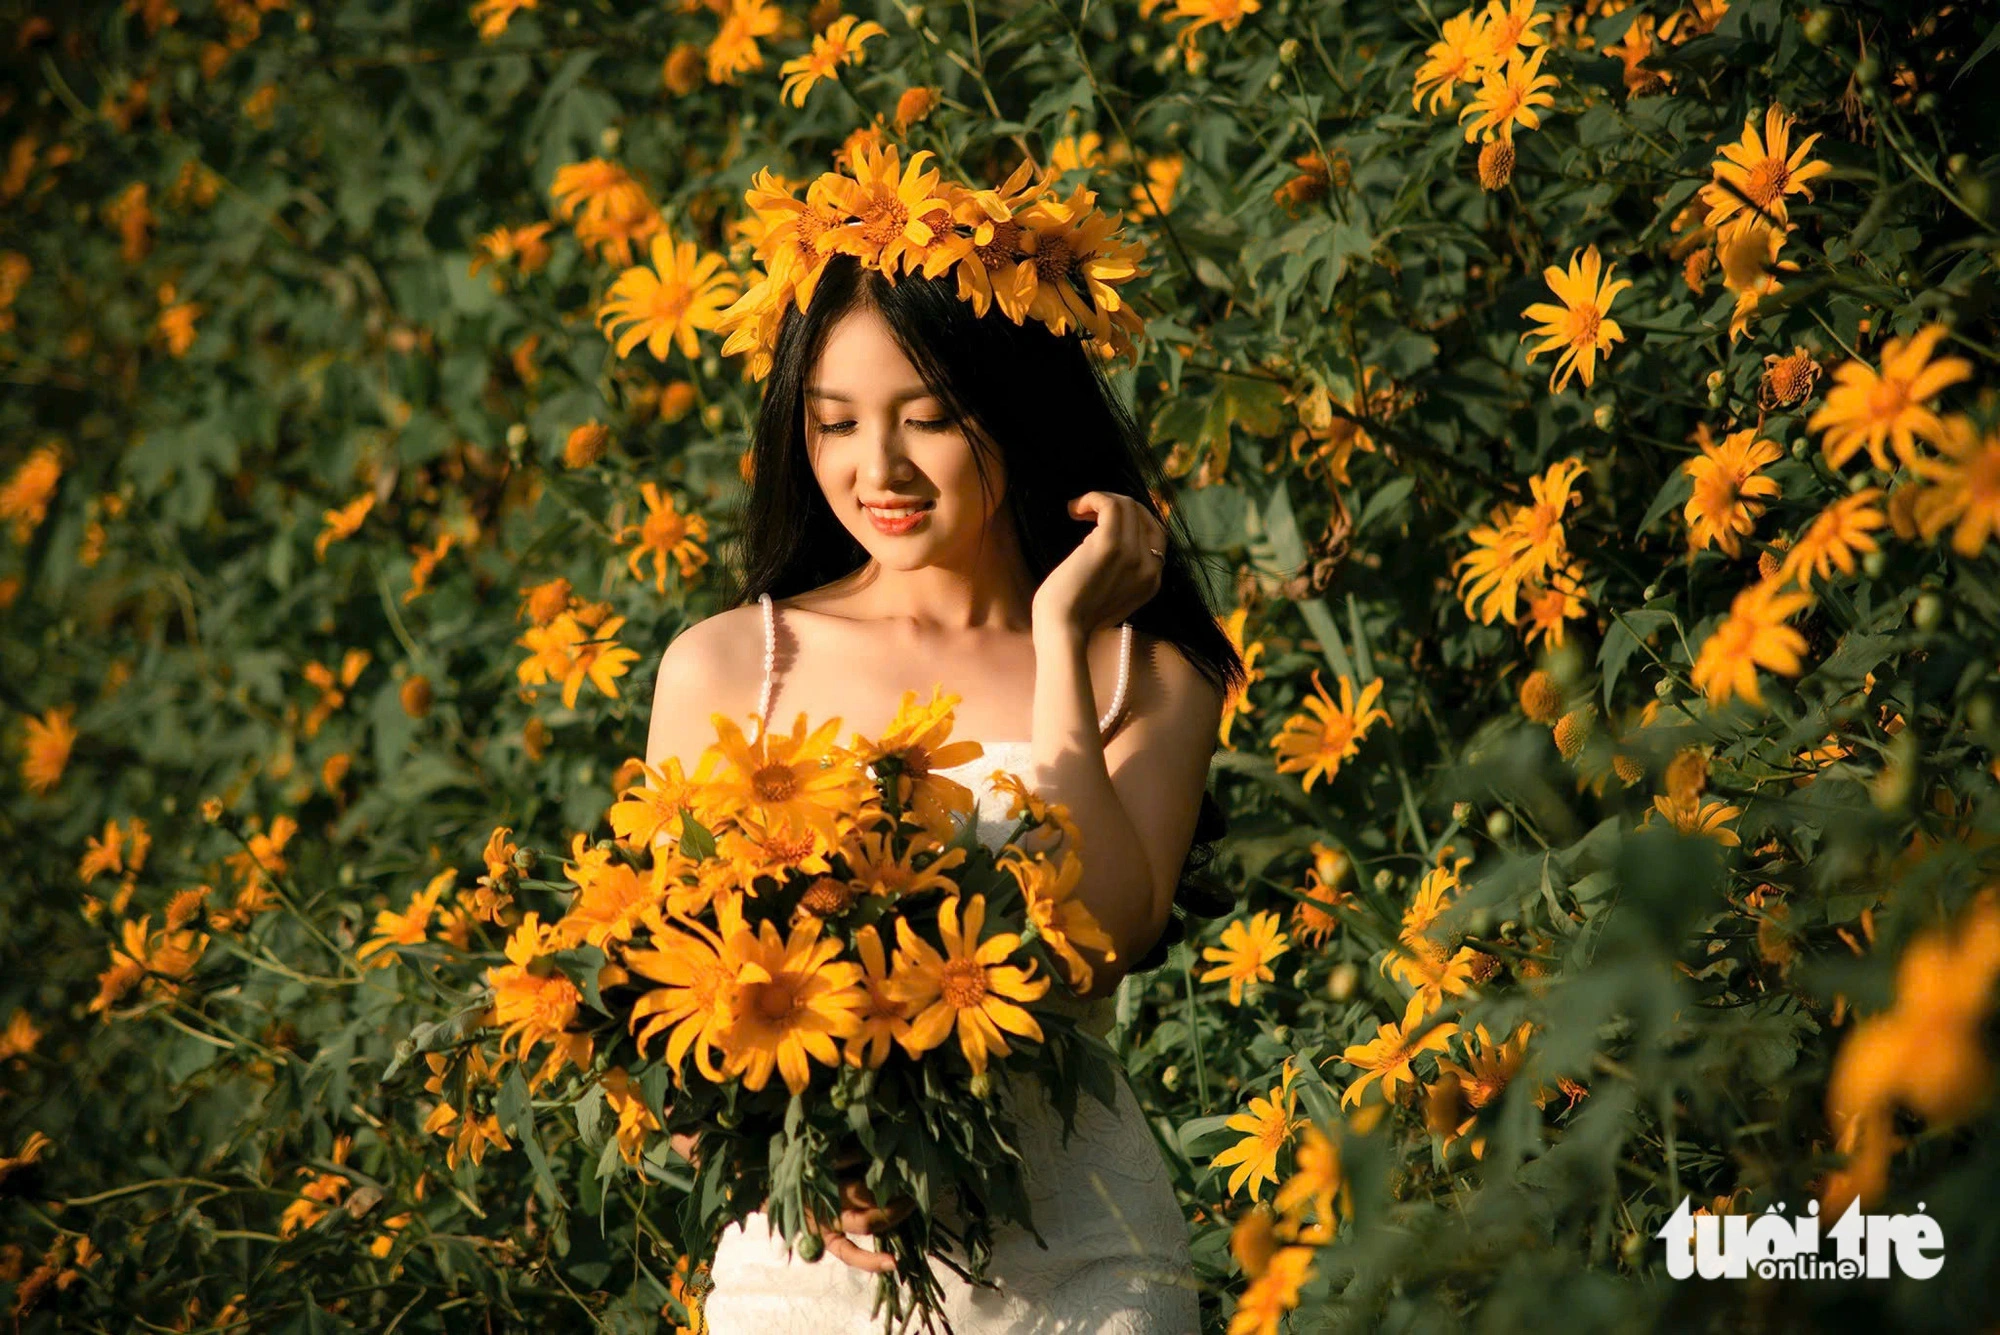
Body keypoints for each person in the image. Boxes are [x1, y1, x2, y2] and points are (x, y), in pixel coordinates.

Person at [642, 162, 1245, 1333]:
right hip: (810, 1276)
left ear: (1017, 409)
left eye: (926, 419)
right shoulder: (724, 666)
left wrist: (1065, 638)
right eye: (834, 423)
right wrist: (809, 1165)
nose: (879, 471)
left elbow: (1106, 944)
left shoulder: (1146, 677)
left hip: (1083, 1270)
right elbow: (671, 1006)